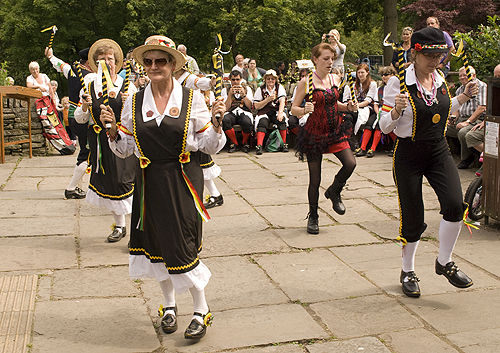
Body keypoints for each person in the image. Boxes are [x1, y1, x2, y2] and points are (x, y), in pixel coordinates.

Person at [100, 35, 226, 340]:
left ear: (172, 64)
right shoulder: (134, 99)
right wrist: (112, 130)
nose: (154, 66)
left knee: (181, 244)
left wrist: (219, 124)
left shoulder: (192, 98)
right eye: (148, 61)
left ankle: (201, 310)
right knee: (155, 245)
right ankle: (169, 306)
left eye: (161, 61)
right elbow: (126, 149)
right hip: (148, 181)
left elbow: (210, 145)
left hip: (183, 182)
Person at [379, 27, 478, 298]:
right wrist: (396, 110)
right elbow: (384, 127)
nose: (435, 62)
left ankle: (444, 262)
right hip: (408, 153)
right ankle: (407, 270)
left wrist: (465, 97)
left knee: (456, 205)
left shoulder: (440, 79)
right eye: (430, 56)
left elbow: (443, 107)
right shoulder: (397, 82)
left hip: (438, 150)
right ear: (415, 53)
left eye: (440, 56)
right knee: (413, 216)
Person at [74, 38, 138, 243]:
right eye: (101, 59)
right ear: (95, 62)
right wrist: (85, 106)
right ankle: (120, 225)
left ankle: (138, 228)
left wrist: (130, 104)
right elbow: (79, 118)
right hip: (100, 142)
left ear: (116, 61)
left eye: (110, 58)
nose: (106, 62)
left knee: (126, 181)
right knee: (110, 182)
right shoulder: (89, 86)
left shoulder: (127, 85)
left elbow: (138, 118)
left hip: (123, 139)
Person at [291, 42, 358, 234]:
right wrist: (303, 109)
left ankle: (334, 190)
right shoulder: (307, 82)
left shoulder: (335, 78)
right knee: (315, 179)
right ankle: (313, 216)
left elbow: (334, 104)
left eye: (332, 59)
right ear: (315, 60)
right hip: (315, 133)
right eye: (326, 59)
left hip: (335, 129)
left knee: (350, 163)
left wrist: (348, 107)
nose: (330, 62)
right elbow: (293, 108)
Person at [172, 54, 224, 210]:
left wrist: (211, 82)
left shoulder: (187, 78)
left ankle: (215, 194)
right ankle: (215, 194)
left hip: (194, 122)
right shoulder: (172, 80)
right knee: (199, 162)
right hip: (182, 122)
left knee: (200, 160)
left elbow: (200, 82)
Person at [45, 46, 93, 199]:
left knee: (86, 152)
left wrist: (51, 57)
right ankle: (71, 189)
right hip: (82, 117)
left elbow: (61, 65)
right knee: (87, 153)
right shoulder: (89, 76)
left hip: (72, 116)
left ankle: (79, 186)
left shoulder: (73, 70)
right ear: (88, 62)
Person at [447, 66, 486, 169]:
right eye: (460, 76)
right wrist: (453, 117)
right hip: (462, 117)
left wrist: (468, 121)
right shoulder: (460, 89)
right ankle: (446, 156)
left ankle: (467, 159)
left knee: (463, 132)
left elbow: (481, 108)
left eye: (465, 75)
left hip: (476, 118)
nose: (462, 77)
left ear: (473, 76)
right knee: (444, 127)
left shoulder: (481, 86)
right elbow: (457, 109)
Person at [253, 69, 288, 155]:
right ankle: (259, 146)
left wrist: (280, 113)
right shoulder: (260, 89)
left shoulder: (279, 87)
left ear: (275, 79)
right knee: (262, 122)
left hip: (276, 111)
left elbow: (282, 101)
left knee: (281, 120)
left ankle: (283, 144)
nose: (270, 81)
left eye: (272, 79)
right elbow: (256, 106)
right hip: (264, 112)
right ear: (265, 79)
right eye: (268, 79)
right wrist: (267, 100)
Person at [347, 63, 378, 157]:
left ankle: (361, 145)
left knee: (361, 118)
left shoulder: (372, 84)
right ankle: (352, 143)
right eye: (358, 72)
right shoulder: (354, 84)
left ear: (367, 73)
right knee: (347, 117)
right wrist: (351, 104)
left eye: (362, 72)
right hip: (356, 107)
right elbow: (351, 97)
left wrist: (357, 106)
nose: (360, 75)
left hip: (367, 108)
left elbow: (368, 100)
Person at [221, 70, 254, 153]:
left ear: (241, 79)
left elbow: (250, 106)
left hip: (244, 111)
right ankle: (234, 143)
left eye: (237, 79)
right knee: (225, 120)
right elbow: (226, 108)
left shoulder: (247, 89)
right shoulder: (225, 90)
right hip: (231, 111)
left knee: (247, 122)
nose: (235, 82)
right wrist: (229, 95)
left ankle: (244, 143)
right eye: (233, 80)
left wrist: (244, 95)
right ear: (230, 80)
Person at [377, 66, 398, 157]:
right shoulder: (381, 88)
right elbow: (376, 102)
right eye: (382, 75)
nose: (384, 77)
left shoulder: (394, 82)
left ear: (392, 74)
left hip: (393, 109)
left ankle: (396, 145)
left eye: (386, 74)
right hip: (382, 109)